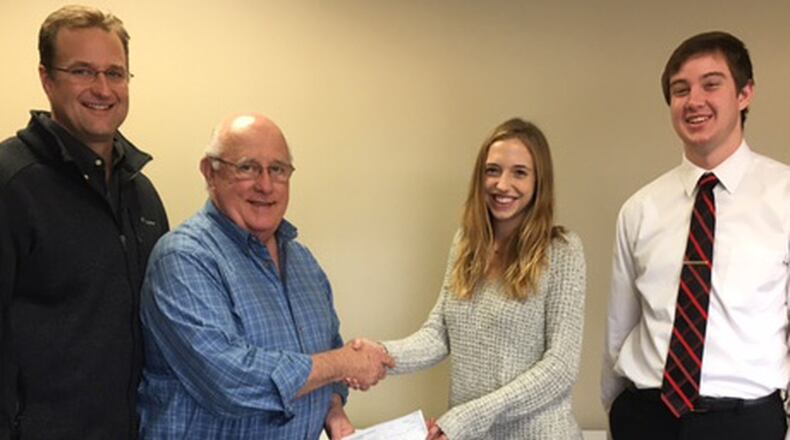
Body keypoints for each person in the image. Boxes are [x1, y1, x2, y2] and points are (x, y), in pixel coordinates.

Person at [137, 113, 395, 439]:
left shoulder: (303, 263)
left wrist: (334, 413)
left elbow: (325, 354)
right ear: (209, 172)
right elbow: (230, 381)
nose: (265, 185)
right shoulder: (183, 259)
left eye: (278, 170)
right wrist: (343, 363)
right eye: (247, 167)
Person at [602, 31, 790, 440]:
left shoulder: (785, 196)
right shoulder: (640, 208)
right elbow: (619, 328)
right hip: (647, 417)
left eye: (711, 84)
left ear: (745, 94)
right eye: (680, 89)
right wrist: (618, 412)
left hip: (745, 422)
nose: (694, 100)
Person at [352, 118, 587, 439]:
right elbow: (439, 334)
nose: (502, 185)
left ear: (539, 181)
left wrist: (469, 417)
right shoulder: (466, 243)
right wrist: (380, 354)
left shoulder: (562, 250)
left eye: (519, 172)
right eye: (492, 170)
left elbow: (559, 368)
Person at [0, 5, 168, 439]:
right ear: (46, 78)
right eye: (81, 71)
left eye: (115, 73)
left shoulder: (142, 194)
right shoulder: (10, 182)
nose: (102, 88)